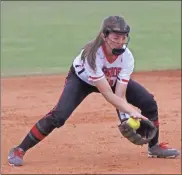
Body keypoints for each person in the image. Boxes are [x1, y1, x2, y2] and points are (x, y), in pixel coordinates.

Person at [8, 16, 180, 166]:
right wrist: (131, 111)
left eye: (124, 37)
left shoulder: (127, 57)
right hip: (82, 81)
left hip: (111, 81)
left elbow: (119, 93)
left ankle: (154, 147)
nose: (120, 42)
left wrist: (126, 118)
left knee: (148, 102)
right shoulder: (91, 55)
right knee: (59, 116)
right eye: (115, 37)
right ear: (104, 36)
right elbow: (108, 94)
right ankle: (19, 149)